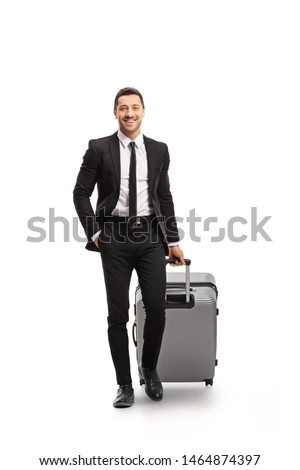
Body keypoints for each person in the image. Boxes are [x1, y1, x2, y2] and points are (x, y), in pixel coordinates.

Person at [73, 87, 184, 408]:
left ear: (144, 111)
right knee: (117, 315)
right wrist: (95, 234)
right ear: (115, 113)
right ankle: (124, 385)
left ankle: (149, 368)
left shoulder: (159, 150)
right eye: (123, 108)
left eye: (135, 107)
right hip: (114, 240)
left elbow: (164, 197)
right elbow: (80, 193)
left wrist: (173, 241)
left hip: (151, 238)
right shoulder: (99, 148)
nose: (129, 113)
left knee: (157, 309)